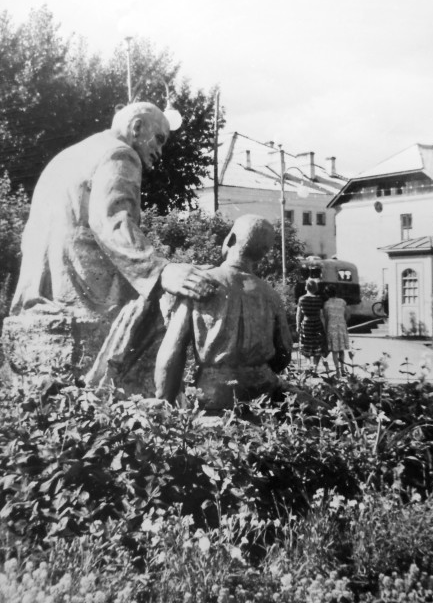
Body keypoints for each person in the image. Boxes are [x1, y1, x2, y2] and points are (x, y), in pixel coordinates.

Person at [9, 102, 216, 390]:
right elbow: (111, 220)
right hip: (83, 284)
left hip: (42, 288)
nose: (160, 150)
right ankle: (154, 408)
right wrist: (160, 271)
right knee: (159, 310)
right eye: (159, 139)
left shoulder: (68, 155)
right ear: (136, 127)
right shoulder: (121, 154)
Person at [154, 215, 292, 410]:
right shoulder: (271, 295)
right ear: (264, 253)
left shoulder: (200, 284)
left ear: (230, 239)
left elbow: (172, 350)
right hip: (261, 392)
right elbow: (284, 352)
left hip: (215, 394)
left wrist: (164, 400)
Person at [296, 278, 325, 371]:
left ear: (306, 287)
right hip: (317, 323)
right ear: (315, 288)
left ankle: (309, 364)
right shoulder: (319, 299)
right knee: (317, 345)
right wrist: (324, 327)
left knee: (305, 344)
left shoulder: (302, 299)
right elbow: (321, 315)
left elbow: (298, 314)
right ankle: (315, 367)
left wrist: (297, 325)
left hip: (306, 323)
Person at [323, 284, 350, 377]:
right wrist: (343, 321)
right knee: (341, 350)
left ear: (327, 294)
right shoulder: (342, 302)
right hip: (341, 327)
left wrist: (325, 330)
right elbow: (347, 315)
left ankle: (337, 370)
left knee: (335, 350)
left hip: (331, 328)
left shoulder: (326, 304)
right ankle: (343, 368)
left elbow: (326, 318)